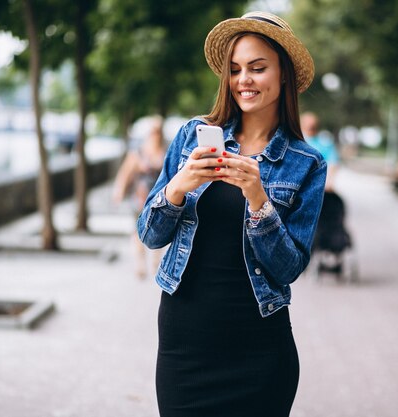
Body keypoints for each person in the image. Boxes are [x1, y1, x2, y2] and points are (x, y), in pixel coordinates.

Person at [136, 11, 326, 417]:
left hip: (259, 342)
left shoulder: (306, 163)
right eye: (236, 69)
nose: (244, 80)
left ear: (284, 75)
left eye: (258, 68)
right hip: (185, 341)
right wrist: (177, 187)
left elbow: (289, 267)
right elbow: (150, 236)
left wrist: (259, 199)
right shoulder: (192, 136)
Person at [112, 116, 166, 278]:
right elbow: (125, 173)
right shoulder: (138, 153)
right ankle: (140, 264)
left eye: (158, 131)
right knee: (137, 232)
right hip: (140, 198)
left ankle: (156, 261)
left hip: (160, 199)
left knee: (159, 229)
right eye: (153, 131)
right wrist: (119, 191)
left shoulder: (166, 152)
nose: (155, 134)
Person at [301, 111, 340, 191]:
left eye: (312, 125)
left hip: (318, 185)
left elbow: (333, 162)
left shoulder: (325, 143)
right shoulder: (296, 141)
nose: (310, 126)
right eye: (307, 124)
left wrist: (329, 181)